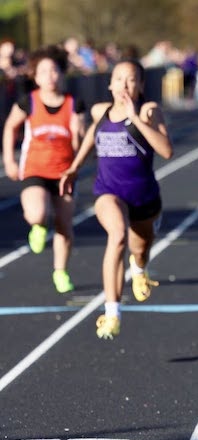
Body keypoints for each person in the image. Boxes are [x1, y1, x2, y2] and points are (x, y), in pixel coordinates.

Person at [60, 59, 173, 339]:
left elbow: (166, 151)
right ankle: (112, 313)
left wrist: (136, 118)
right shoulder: (101, 111)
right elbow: (91, 136)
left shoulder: (149, 111)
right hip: (108, 192)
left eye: (131, 79)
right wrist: (74, 168)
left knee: (140, 250)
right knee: (118, 235)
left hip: (144, 198)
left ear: (141, 85)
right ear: (110, 84)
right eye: (119, 79)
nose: (124, 85)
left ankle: (140, 269)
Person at [2, 44, 85, 293]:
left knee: (64, 225)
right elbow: (10, 127)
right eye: (44, 72)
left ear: (62, 73)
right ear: (35, 77)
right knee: (37, 212)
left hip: (64, 172)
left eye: (54, 70)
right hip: (35, 169)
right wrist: (10, 160)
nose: (50, 76)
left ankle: (60, 271)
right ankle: (37, 225)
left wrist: (78, 132)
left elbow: (81, 145)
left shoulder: (74, 104)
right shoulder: (28, 101)